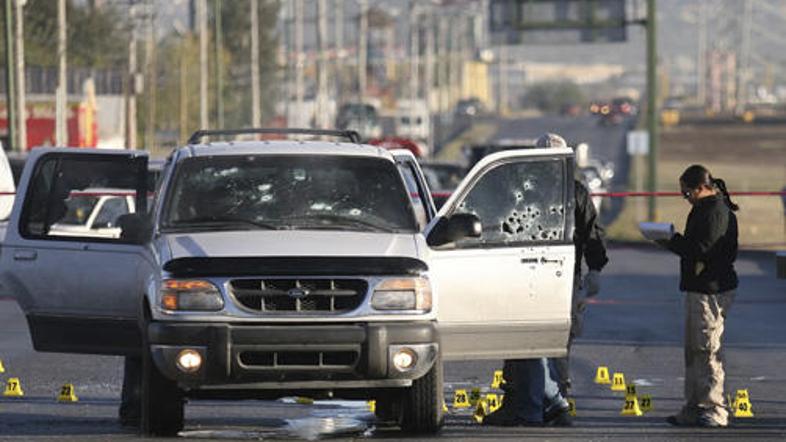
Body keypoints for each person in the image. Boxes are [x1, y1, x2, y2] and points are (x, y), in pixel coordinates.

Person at [484, 133, 608, 426]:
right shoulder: (530, 191)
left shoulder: (569, 192)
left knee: (549, 343)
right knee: (524, 342)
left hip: (555, 278)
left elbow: (591, 233)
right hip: (535, 277)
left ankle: (552, 402)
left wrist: (596, 268)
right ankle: (526, 402)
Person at [658, 164, 738, 428]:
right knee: (693, 351)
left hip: (710, 289)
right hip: (698, 287)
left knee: (707, 350)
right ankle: (693, 407)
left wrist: (670, 240)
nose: (686, 198)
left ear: (702, 188)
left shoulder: (715, 211)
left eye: (687, 193)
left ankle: (714, 409)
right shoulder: (702, 209)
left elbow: (704, 249)